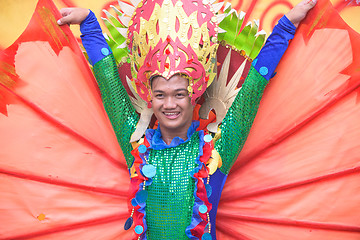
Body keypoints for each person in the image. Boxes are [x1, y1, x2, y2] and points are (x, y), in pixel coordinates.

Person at [57, 0, 316, 239]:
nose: (170, 104)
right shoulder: (136, 147)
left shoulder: (217, 148)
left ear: (193, 95)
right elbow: (109, 82)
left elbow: (254, 86)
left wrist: (286, 26)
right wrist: (89, 24)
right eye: (161, 95)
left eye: (178, 94)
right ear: (150, 97)